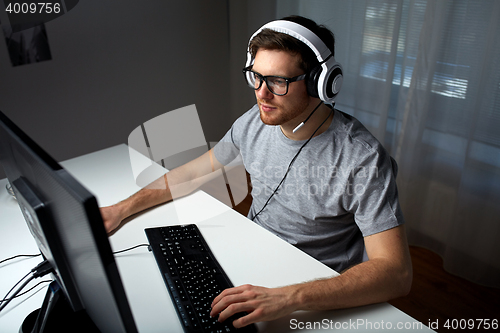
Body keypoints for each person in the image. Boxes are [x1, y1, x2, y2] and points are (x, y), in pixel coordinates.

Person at [101, 15, 412, 329]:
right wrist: (120, 209)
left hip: (311, 287)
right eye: (256, 77)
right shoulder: (254, 121)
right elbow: (193, 173)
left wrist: (288, 298)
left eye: (278, 81)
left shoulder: (361, 158)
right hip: (252, 257)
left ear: (321, 82)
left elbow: (396, 273)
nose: (262, 94)